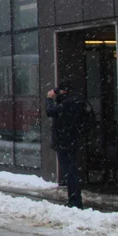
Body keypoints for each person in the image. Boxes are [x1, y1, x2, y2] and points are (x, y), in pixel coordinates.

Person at [46, 80, 93, 209]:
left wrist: (49, 99)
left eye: (58, 91)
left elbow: (50, 111)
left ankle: (75, 201)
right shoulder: (78, 101)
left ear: (64, 91)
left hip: (64, 141)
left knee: (70, 171)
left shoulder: (67, 103)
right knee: (72, 170)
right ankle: (74, 199)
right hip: (73, 140)